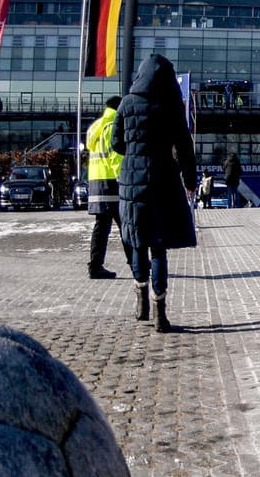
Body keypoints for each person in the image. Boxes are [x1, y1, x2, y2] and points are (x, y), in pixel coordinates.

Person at [112, 55, 197, 333]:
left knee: (138, 241)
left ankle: (141, 303)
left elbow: (117, 144)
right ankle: (161, 313)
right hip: (163, 179)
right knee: (158, 246)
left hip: (132, 180)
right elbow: (184, 147)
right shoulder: (172, 106)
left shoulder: (126, 103)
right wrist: (190, 180)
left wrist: (136, 153)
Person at [84, 95, 132, 279]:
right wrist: (123, 177)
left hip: (97, 183)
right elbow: (115, 156)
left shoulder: (96, 126)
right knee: (125, 224)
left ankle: (95, 266)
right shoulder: (112, 126)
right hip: (112, 183)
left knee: (102, 227)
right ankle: (136, 263)